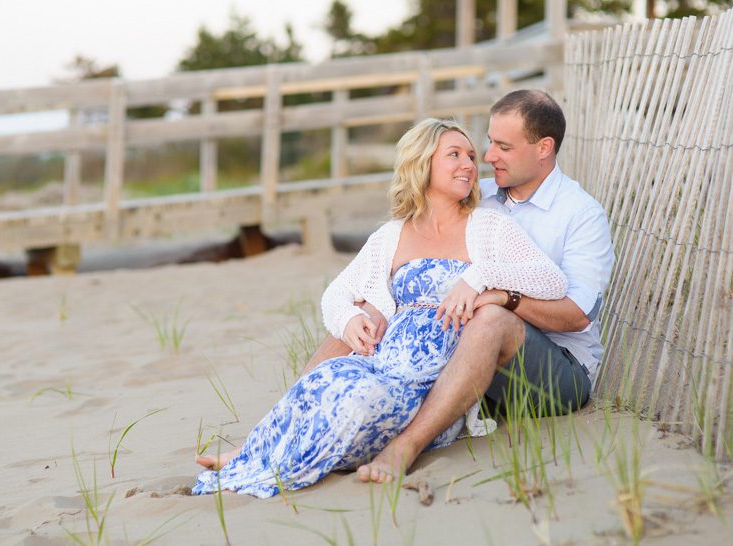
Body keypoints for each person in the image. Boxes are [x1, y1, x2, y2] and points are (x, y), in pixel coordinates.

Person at [191, 117, 568, 498]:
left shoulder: (489, 227)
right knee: (328, 382)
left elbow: (551, 281)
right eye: (454, 154)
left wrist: (480, 278)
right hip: (380, 364)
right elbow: (337, 293)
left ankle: (274, 457)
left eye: (471, 155)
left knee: (352, 405)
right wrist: (350, 317)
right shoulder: (391, 235)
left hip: (427, 388)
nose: (470, 164)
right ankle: (257, 446)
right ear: (421, 164)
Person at [352, 89, 615, 483]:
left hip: (556, 373)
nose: (488, 156)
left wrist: (500, 297)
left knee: (491, 317)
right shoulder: (479, 198)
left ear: (543, 148)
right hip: (467, 361)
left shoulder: (580, 215)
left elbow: (576, 317)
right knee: (365, 311)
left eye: (503, 147)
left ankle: (406, 446)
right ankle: (279, 431)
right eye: (490, 142)